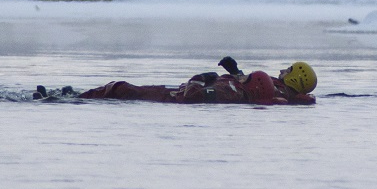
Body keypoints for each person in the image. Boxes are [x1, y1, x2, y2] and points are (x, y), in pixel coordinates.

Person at [57, 58, 318, 105]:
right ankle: (72, 96)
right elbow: (250, 85)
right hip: (178, 95)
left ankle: (65, 98)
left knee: (121, 89)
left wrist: (200, 79)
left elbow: (194, 96)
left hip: (175, 97)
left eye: (289, 69)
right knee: (121, 89)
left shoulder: (234, 93)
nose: (283, 69)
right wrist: (236, 71)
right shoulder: (277, 93)